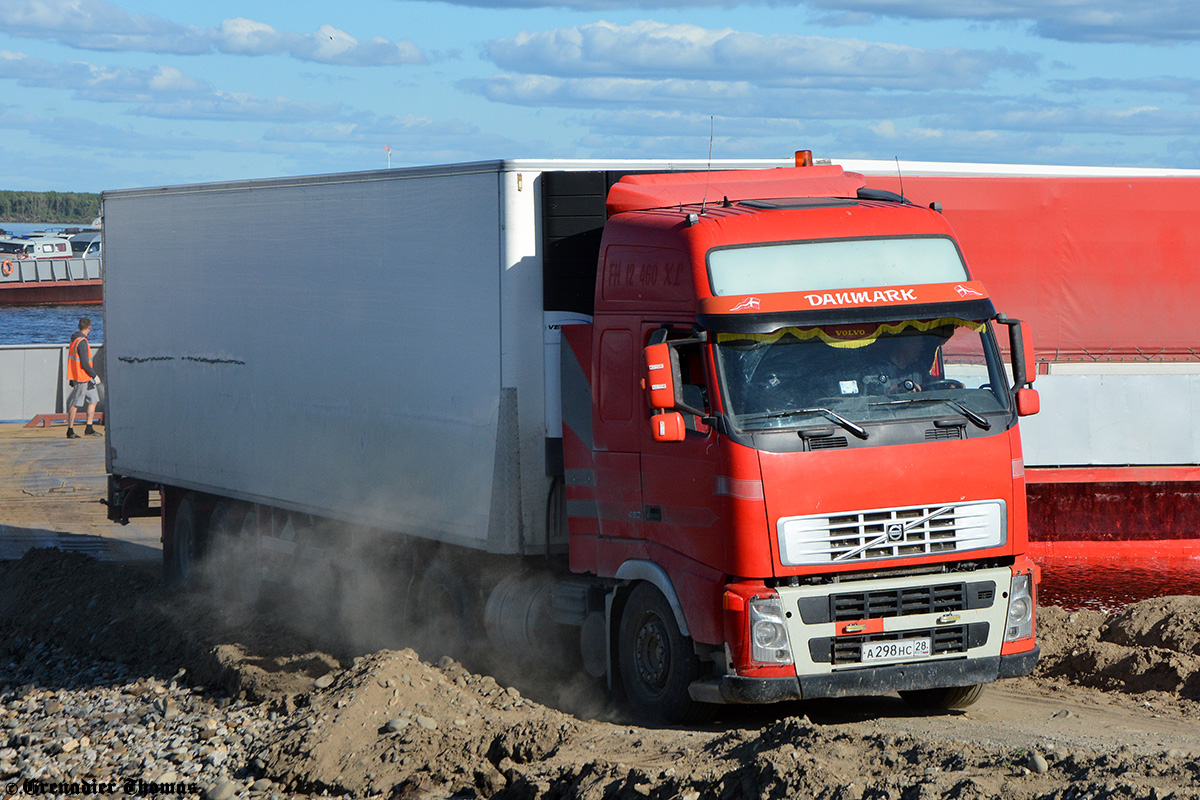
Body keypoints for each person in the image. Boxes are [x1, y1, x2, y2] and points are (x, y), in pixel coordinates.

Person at [66, 317, 101, 438]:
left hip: (83, 377)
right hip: (82, 378)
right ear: (89, 328)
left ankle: (89, 427)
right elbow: (85, 363)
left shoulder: (74, 340)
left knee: (94, 400)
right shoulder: (82, 342)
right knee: (76, 403)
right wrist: (94, 375)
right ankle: (70, 430)